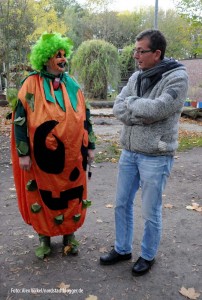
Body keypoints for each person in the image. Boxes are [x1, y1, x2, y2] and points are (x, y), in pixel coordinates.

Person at [100, 29, 188, 276]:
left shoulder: (177, 78)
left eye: (141, 51)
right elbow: (118, 107)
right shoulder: (137, 76)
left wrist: (133, 105)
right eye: (135, 50)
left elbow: (159, 109)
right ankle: (122, 248)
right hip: (129, 152)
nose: (135, 55)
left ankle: (148, 255)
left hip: (156, 156)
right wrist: (137, 109)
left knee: (150, 211)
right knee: (121, 204)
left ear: (157, 53)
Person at [11, 32, 95, 259]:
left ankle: (69, 236)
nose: (62, 58)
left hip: (73, 157)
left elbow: (86, 116)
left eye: (64, 54)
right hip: (41, 159)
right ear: (45, 58)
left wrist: (91, 146)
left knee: (72, 195)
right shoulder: (30, 85)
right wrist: (23, 153)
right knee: (42, 194)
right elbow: (20, 118)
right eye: (57, 55)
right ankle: (44, 238)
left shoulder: (73, 85)